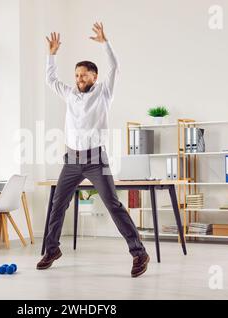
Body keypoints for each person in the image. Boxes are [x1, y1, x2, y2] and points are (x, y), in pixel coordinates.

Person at [37, 23, 150, 278]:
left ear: (94, 77)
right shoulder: (69, 94)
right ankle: (52, 249)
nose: (79, 79)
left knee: (113, 204)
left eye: (84, 75)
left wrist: (105, 43)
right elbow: (50, 79)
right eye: (77, 75)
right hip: (72, 159)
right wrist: (51, 54)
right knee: (57, 204)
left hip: (96, 159)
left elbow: (115, 68)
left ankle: (139, 253)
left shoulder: (104, 93)